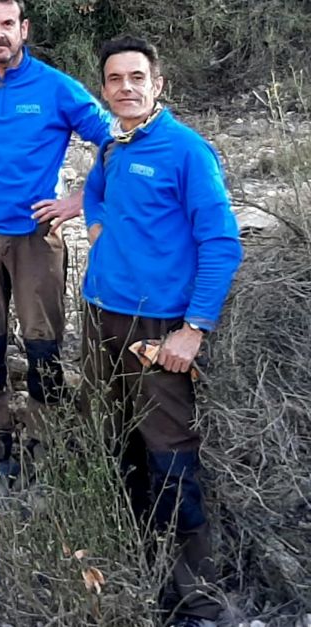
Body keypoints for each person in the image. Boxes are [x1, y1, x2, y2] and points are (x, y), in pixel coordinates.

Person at [82, 36, 240, 627]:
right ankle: (136, 568)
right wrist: (98, 229)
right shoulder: (113, 145)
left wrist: (193, 329)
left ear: (158, 85)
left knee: (171, 455)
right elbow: (95, 193)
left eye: (137, 78)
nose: (126, 88)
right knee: (116, 443)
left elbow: (221, 243)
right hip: (102, 316)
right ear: (104, 90)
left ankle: (197, 599)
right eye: (115, 79)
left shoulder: (187, 151)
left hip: (159, 327)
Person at [0, 0, 111, 480]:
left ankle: (42, 446)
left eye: (7, 24)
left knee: (42, 346)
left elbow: (110, 139)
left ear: (23, 28)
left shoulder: (56, 87)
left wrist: (79, 200)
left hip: (36, 236)